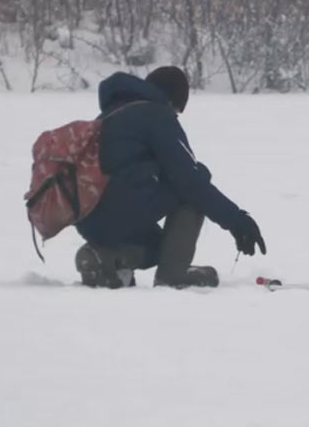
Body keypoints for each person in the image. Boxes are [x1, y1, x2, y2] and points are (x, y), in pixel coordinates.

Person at [74, 66, 266, 289]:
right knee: (195, 183)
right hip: (120, 211)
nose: (176, 117)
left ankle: (105, 257)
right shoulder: (156, 114)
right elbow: (191, 181)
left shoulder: (112, 113)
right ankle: (173, 275)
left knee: (159, 246)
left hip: (89, 219)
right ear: (171, 100)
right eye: (177, 111)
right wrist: (238, 222)